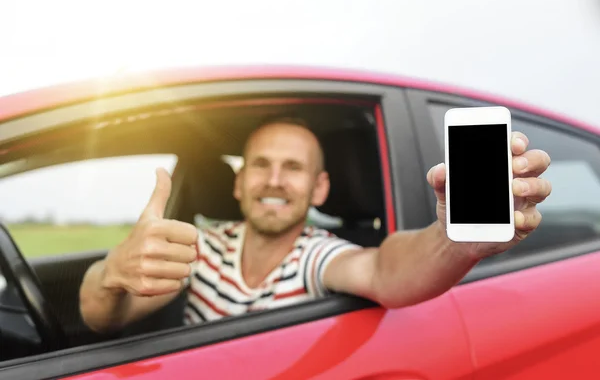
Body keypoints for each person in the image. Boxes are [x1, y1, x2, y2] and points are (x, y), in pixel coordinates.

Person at [79, 117, 552, 333]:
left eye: (294, 168)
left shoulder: (316, 255)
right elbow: (104, 318)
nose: (276, 181)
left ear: (320, 188)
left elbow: (386, 270)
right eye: (261, 165)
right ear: (240, 182)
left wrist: (455, 240)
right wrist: (112, 272)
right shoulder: (202, 246)